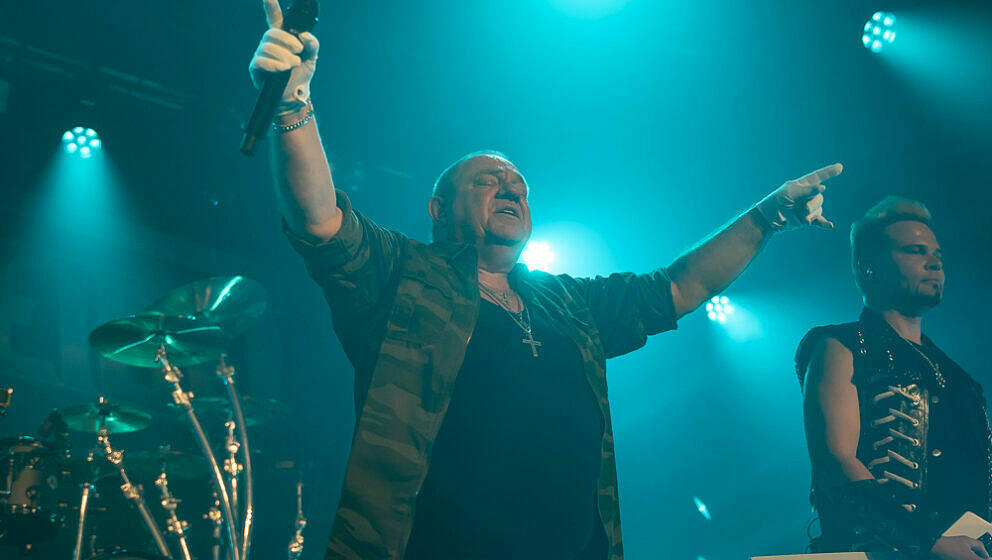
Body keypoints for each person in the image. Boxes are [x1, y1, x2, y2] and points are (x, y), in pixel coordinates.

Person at [249, 3, 842, 558]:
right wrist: (291, 102)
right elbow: (320, 221)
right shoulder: (403, 271)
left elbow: (680, 287)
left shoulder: (566, 301)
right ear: (438, 209)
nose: (510, 187)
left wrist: (767, 216)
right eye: (487, 180)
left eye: (519, 186)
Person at [797, 196, 991, 560]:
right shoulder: (841, 344)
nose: (935, 262)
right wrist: (927, 542)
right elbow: (835, 463)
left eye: (937, 254)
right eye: (915, 251)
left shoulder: (959, 378)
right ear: (869, 266)